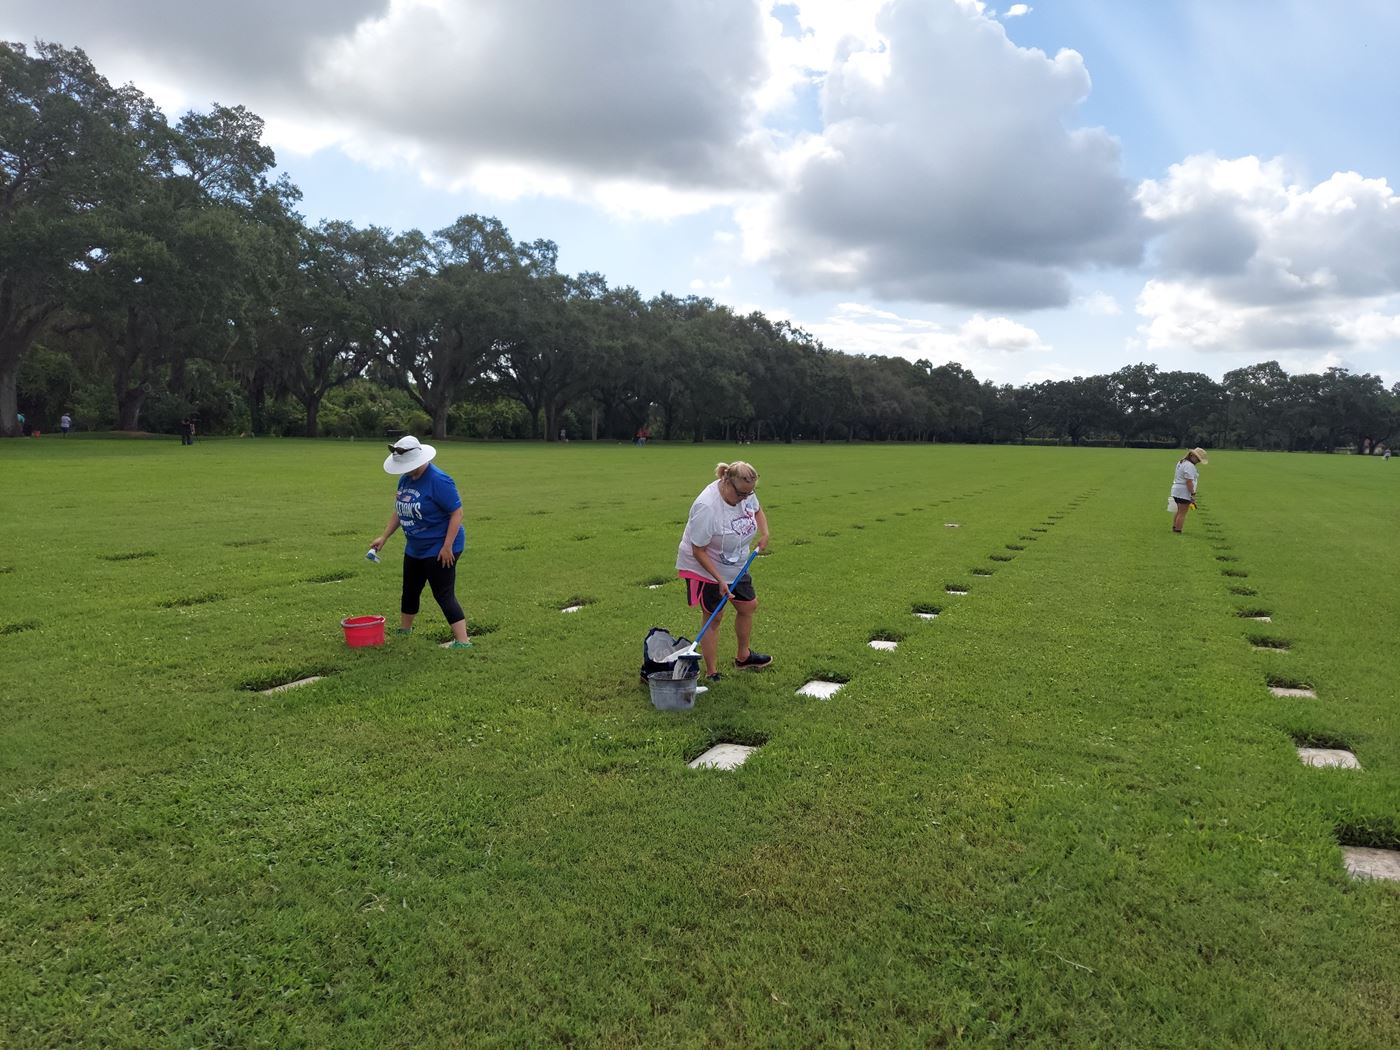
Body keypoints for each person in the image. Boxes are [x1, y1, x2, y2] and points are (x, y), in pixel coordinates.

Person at [369, 435, 472, 648]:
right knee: (410, 588)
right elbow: (399, 511)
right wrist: (384, 537)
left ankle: (463, 641)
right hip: (415, 547)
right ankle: (405, 630)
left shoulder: (439, 480)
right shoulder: (405, 479)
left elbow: (457, 513)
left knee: (442, 593)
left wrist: (447, 546)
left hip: (440, 547)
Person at [675, 461, 772, 681]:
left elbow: (757, 510)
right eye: (741, 494)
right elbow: (697, 549)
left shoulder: (745, 493)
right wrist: (719, 579)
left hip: (736, 562)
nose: (745, 499)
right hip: (706, 566)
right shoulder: (707, 507)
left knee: (748, 605)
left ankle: (743, 657)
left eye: (750, 493)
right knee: (715, 616)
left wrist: (764, 533)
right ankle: (711, 672)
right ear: (726, 481)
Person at [1169, 447, 1208, 533]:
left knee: (1179, 511)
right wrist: (1193, 493)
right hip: (1183, 491)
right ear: (1192, 455)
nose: (1198, 461)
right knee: (1183, 513)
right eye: (1197, 458)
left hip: (1176, 490)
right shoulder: (1190, 466)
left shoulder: (1181, 462)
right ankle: (1178, 530)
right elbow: (1189, 482)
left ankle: (1175, 527)